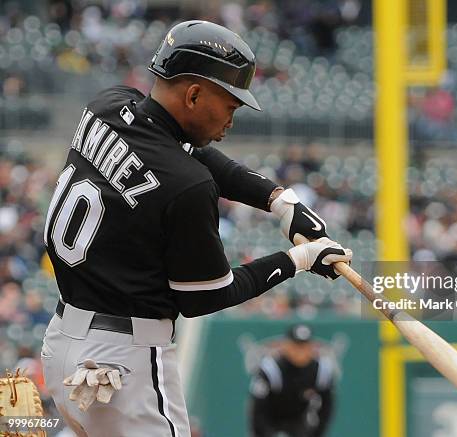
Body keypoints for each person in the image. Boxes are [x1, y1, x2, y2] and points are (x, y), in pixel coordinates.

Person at [41, 20, 352, 437]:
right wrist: (297, 260)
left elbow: (180, 153)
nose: (232, 118)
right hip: (123, 365)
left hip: (63, 341)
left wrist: (279, 200)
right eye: (230, 104)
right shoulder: (189, 187)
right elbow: (207, 296)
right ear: (193, 94)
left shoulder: (109, 105)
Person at [248, 324, 335, 437]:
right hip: (270, 419)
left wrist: (317, 434)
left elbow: (327, 407)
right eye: (296, 345)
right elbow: (257, 410)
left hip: (299, 420)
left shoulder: (321, 370)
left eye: (305, 346)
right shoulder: (271, 369)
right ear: (285, 345)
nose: (300, 351)